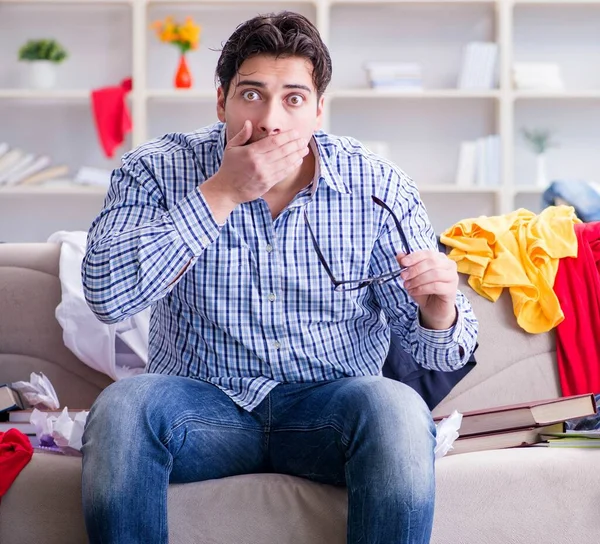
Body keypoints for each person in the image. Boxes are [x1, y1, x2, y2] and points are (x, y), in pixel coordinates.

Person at [81, 11, 478, 544]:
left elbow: (438, 356)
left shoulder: (378, 186)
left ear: (318, 110)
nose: (271, 120)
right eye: (252, 94)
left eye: (293, 98)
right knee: (123, 409)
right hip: (202, 411)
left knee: (398, 408)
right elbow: (106, 295)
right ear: (220, 100)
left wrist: (438, 310)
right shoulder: (155, 171)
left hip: (329, 413)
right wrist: (219, 193)